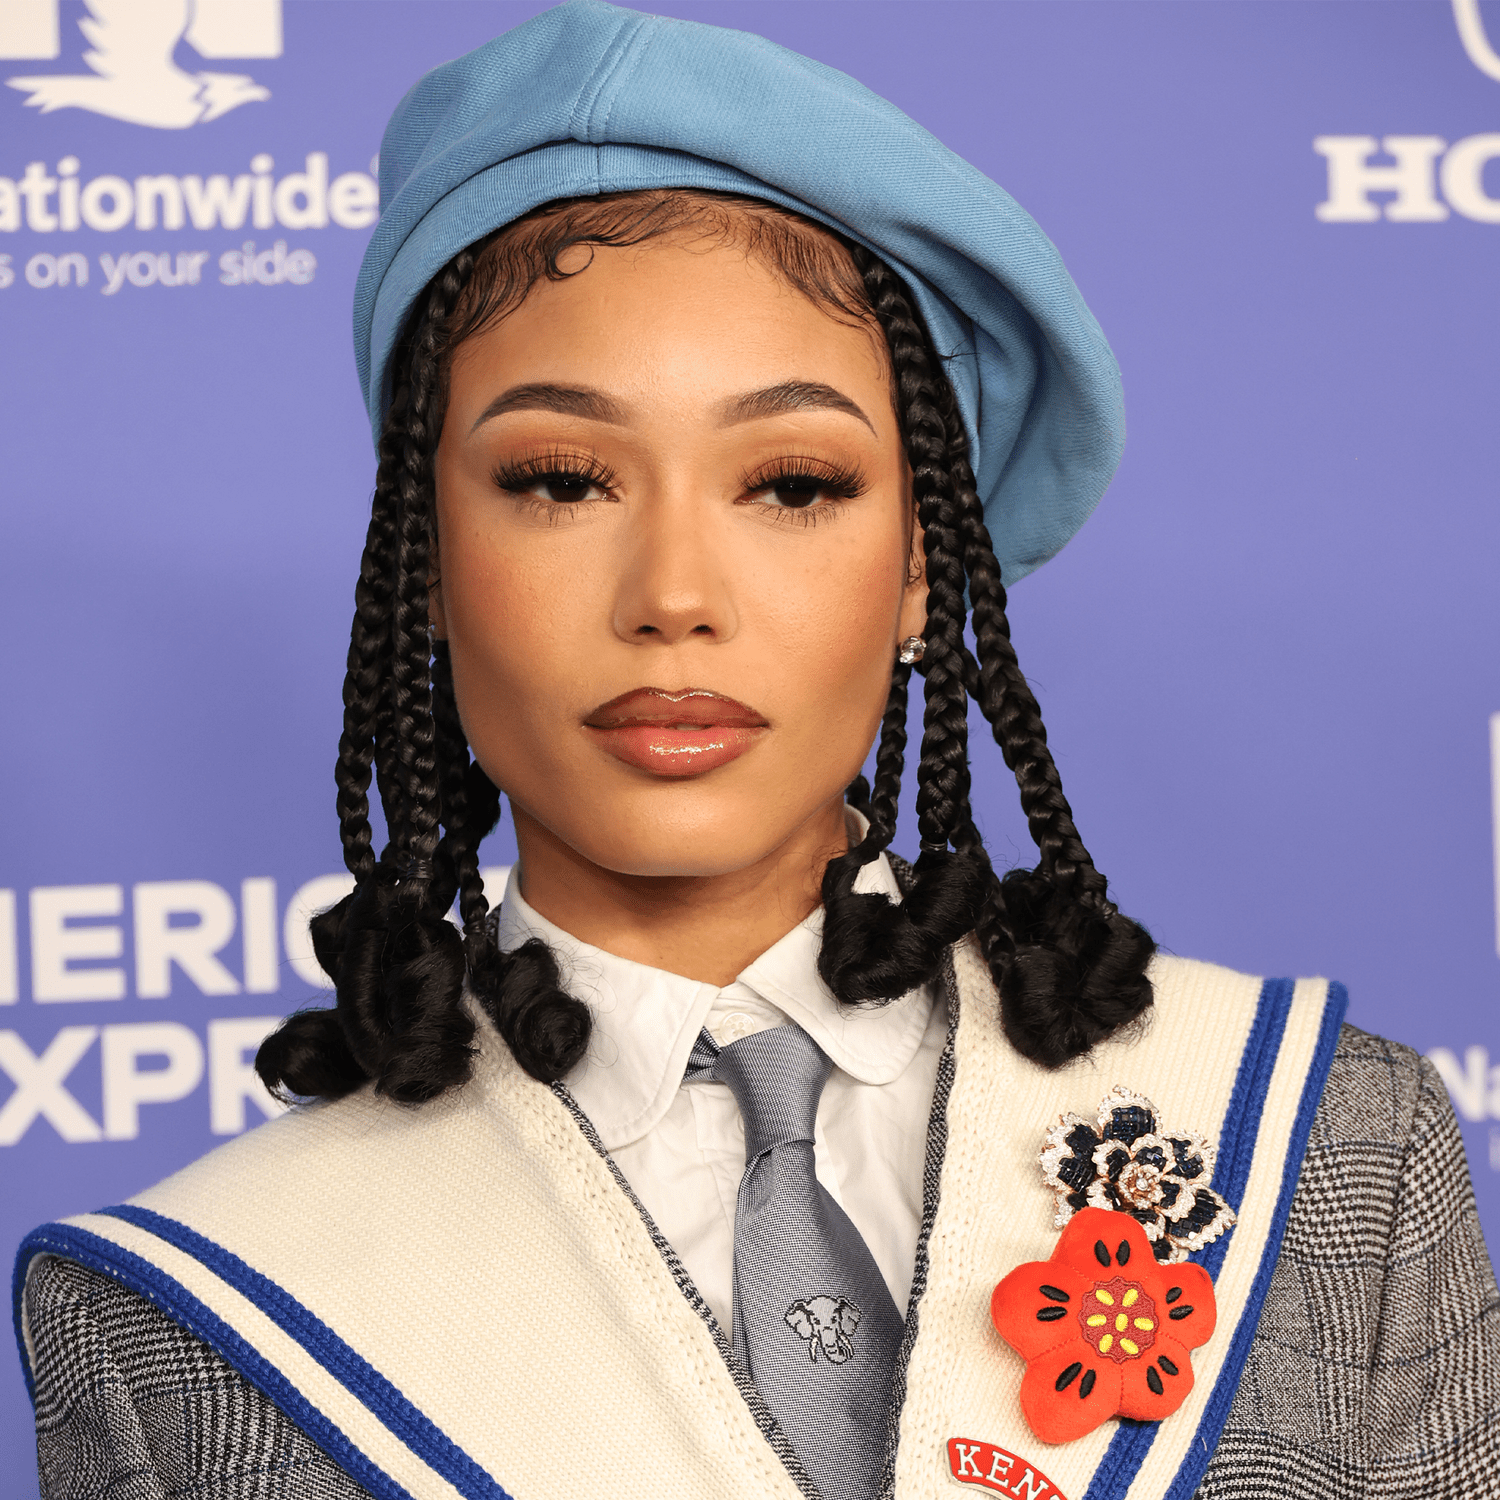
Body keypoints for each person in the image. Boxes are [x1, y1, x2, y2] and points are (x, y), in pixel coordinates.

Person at [16, 5, 1498, 1498]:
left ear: (925, 564)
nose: (673, 597)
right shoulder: (186, 1322)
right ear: (423, 564)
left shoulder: (1330, 1154)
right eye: (557, 480)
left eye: (791, 485)